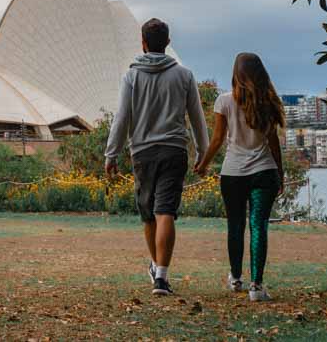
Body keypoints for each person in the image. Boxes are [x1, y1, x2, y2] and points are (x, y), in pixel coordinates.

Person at [105, 18, 209, 296]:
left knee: (150, 214)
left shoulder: (131, 76)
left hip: (142, 152)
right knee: (166, 212)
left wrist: (111, 154)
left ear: (143, 42)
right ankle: (160, 273)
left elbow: (122, 118)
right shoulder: (184, 75)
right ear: (168, 43)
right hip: (175, 150)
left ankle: (158, 269)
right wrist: (203, 152)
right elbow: (197, 118)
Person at [194, 52, 285, 302]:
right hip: (264, 171)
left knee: (235, 225)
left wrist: (203, 163)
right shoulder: (269, 102)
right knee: (259, 227)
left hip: (233, 174)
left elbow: (217, 139)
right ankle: (256, 286)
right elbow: (273, 142)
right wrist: (281, 171)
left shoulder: (224, 102)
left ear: (236, 73)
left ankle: (235, 278)